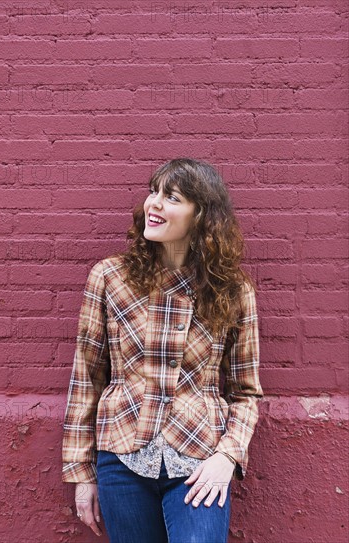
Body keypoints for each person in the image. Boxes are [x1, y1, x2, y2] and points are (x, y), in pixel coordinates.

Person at [61, 158, 263, 543]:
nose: (153, 204)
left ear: (201, 215)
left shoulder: (233, 291)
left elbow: (246, 392)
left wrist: (228, 456)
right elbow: (86, 378)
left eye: (171, 197)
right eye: (153, 192)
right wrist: (80, 472)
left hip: (199, 456)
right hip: (122, 455)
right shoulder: (110, 278)